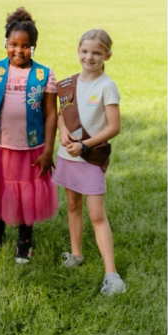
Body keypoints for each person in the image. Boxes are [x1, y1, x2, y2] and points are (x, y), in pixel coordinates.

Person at [0, 7, 58, 264]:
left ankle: (24, 240)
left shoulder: (44, 74)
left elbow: (52, 115)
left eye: (26, 46)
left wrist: (49, 150)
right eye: (13, 44)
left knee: (27, 194)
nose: (19, 50)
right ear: (5, 43)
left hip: (30, 148)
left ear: (34, 47)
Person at [54, 29, 125, 295]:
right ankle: (76, 254)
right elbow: (60, 114)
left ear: (107, 55)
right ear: (78, 51)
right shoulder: (67, 84)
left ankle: (111, 273)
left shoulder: (107, 86)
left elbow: (113, 127)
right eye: (85, 51)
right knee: (72, 205)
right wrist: (62, 131)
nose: (89, 57)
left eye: (96, 52)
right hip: (66, 156)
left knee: (96, 214)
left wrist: (84, 145)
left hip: (90, 157)